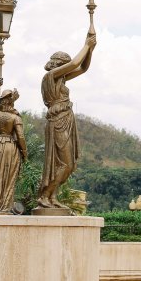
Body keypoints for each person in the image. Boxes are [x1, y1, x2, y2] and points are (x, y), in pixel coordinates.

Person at [34, 32, 97, 210]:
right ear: (59, 65)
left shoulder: (61, 79)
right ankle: (45, 195)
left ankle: (53, 196)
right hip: (58, 121)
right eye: (64, 66)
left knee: (69, 165)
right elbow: (76, 63)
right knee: (65, 163)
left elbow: (83, 68)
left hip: (66, 119)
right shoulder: (50, 77)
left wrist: (90, 49)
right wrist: (86, 45)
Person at [0, 78, 26, 216]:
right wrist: (24, 152)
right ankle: (3, 206)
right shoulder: (15, 118)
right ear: (11, 102)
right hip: (10, 147)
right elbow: (21, 137)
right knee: (7, 177)